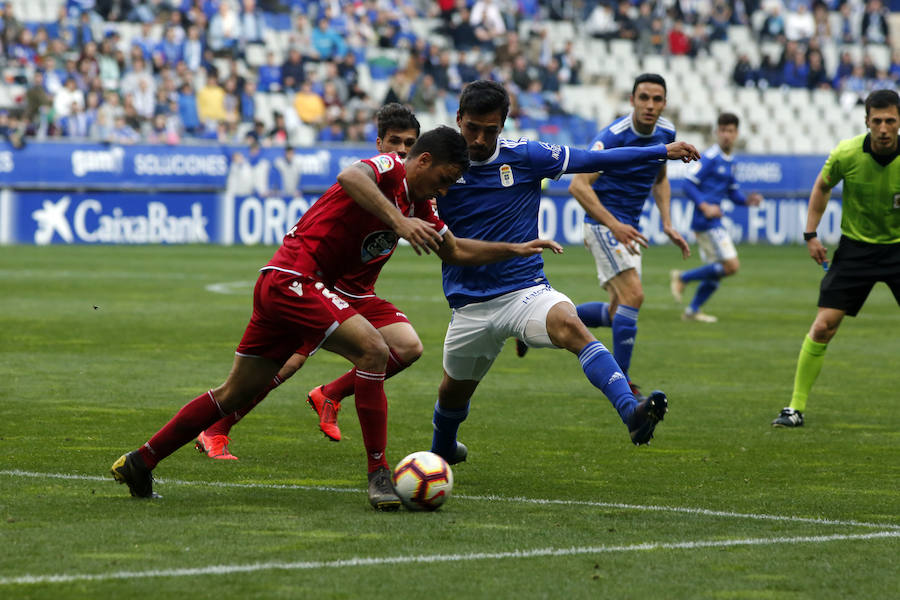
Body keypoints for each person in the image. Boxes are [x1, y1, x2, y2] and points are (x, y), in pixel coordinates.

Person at [111, 125, 561, 509]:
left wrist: (517, 248)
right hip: (294, 278)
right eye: (443, 179)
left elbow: (457, 249)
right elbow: (350, 176)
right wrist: (400, 224)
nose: (444, 191)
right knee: (373, 351)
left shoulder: (423, 205)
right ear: (421, 160)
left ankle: (141, 461)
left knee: (232, 394)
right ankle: (379, 475)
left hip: (290, 285)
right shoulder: (388, 169)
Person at [426, 80, 699, 465]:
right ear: (458, 119)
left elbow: (593, 160)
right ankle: (442, 449)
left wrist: (660, 152)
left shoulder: (526, 156)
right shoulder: (441, 167)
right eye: (472, 128)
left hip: (525, 291)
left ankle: (631, 412)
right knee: (453, 394)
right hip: (469, 305)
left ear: (504, 124)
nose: (480, 139)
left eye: (491, 130)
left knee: (571, 325)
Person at [194, 103, 429, 459]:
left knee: (409, 347)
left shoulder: (414, 191)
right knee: (286, 364)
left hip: (360, 294)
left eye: (408, 143)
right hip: (323, 286)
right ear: (378, 143)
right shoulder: (369, 180)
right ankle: (216, 428)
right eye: (393, 141)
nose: (399, 150)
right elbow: (349, 187)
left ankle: (330, 394)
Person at [771, 89, 900, 428]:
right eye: (877, 121)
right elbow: (822, 186)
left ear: (899, 122)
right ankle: (795, 408)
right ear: (866, 121)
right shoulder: (847, 153)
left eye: (890, 121)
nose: (884, 128)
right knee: (824, 327)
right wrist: (811, 234)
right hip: (857, 249)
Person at [565, 73, 691, 400]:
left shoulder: (666, 133)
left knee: (616, 310)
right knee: (634, 296)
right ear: (632, 100)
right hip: (603, 224)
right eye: (644, 98)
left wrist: (667, 222)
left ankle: (544, 324)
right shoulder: (613, 137)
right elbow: (578, 185)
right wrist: (613, 225)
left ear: (665, 103)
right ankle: (621, 385)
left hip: (628, 228)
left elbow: (660, 177)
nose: (650, 105)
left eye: (657, 99)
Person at [670, 113, 763, 322]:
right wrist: (704, 206)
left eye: (730, 131)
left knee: (716, 273)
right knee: (731, 266)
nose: (727, 135)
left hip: (713, 221)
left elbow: (732, 192)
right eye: (723, 130)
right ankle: (682, 278)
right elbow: (688, 183)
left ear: (737, 134)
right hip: (706, 221)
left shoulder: (730, 161)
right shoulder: (711, 157)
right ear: (716, 132)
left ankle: (692, 311)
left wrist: (748, 200)